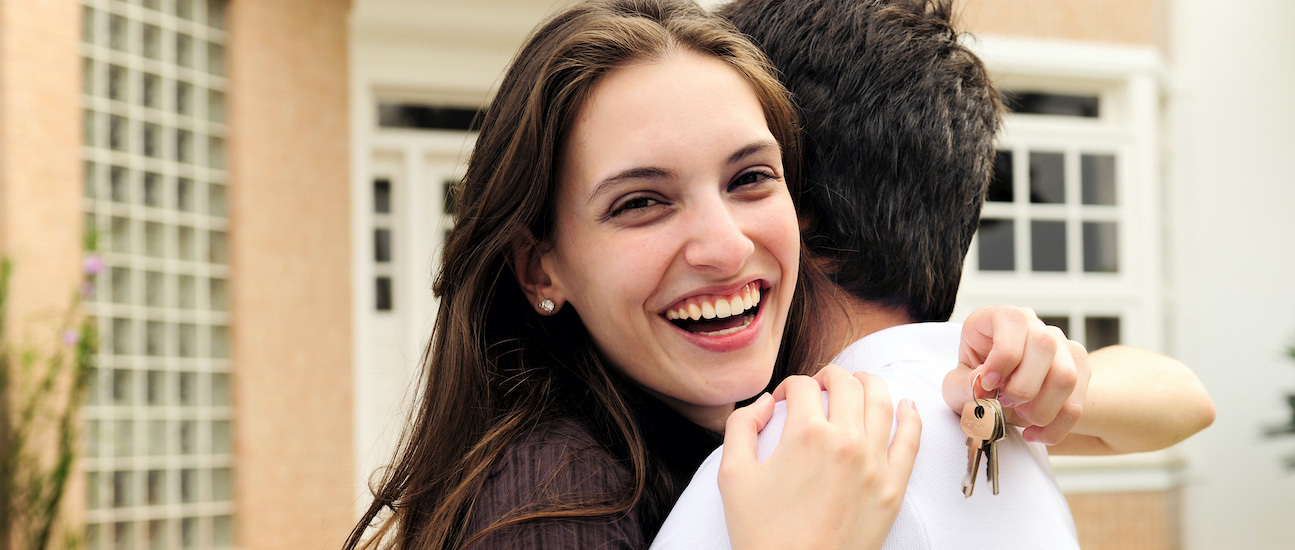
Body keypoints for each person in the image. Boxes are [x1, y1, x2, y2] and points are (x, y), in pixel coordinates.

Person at [343, 1, 1096, 548]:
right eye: (641, 202)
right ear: (543, 266)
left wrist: (1035, 364)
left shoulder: (733, 428)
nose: (725, 246)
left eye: (749, 179)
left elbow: (1183, 400)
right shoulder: (552, 501)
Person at [649, 0, 1215, 547]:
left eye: (743, 178)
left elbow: (1189, 401)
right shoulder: (978, 414)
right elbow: (1188, 400)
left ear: (791, 195)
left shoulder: (763, 475)